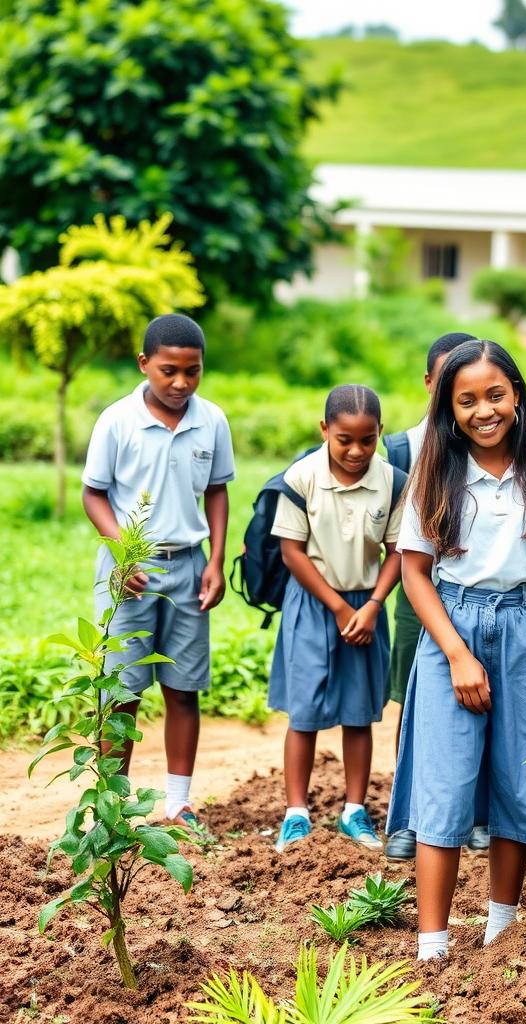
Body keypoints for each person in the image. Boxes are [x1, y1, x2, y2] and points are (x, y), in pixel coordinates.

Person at [387, 339, 526, 960]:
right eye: (467, 400)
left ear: (518, 396)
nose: (485, 410)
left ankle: (501, 926)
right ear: (448, 410)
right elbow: (415, 574)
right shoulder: (435, 470)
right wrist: (455, 654)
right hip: (453, 624)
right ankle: (433, 943)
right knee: (445, 781)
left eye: (496, 395)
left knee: (523, 776)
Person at [82, 313, 235, 836]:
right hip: (130, 568)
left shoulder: (211, 420)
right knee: (121, 690)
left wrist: (215, 560)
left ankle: (178, 804)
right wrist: (122, 553)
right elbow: (94, 494)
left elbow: (216, 490)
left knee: (182, 687)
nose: (180, 383)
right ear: (144, 364)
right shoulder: (117, 421)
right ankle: (113, 810)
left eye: (192, 372)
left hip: (189, 567)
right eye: (168, 371)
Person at [270, 384, 405, 852]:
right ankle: (295, 813)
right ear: (324, 430)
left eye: (367, 440)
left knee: (358, 712)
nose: (355, 450)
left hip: (367, 608)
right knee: (304, 712)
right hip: (313, 603)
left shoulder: (393, 481)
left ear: (379, 434)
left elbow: (397, 551)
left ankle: (354, 810)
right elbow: (291, 552)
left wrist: (370, 606)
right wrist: (340, 606)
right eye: (344, 439)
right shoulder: (301, 478)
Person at [381, 331, 490, 861]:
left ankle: (473, 814)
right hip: (422, 592)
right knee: (416, 697)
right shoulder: (406, 447)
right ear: (434, 385)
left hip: (486, 597)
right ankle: (413, 815)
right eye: (456, 386)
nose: (473, 402)